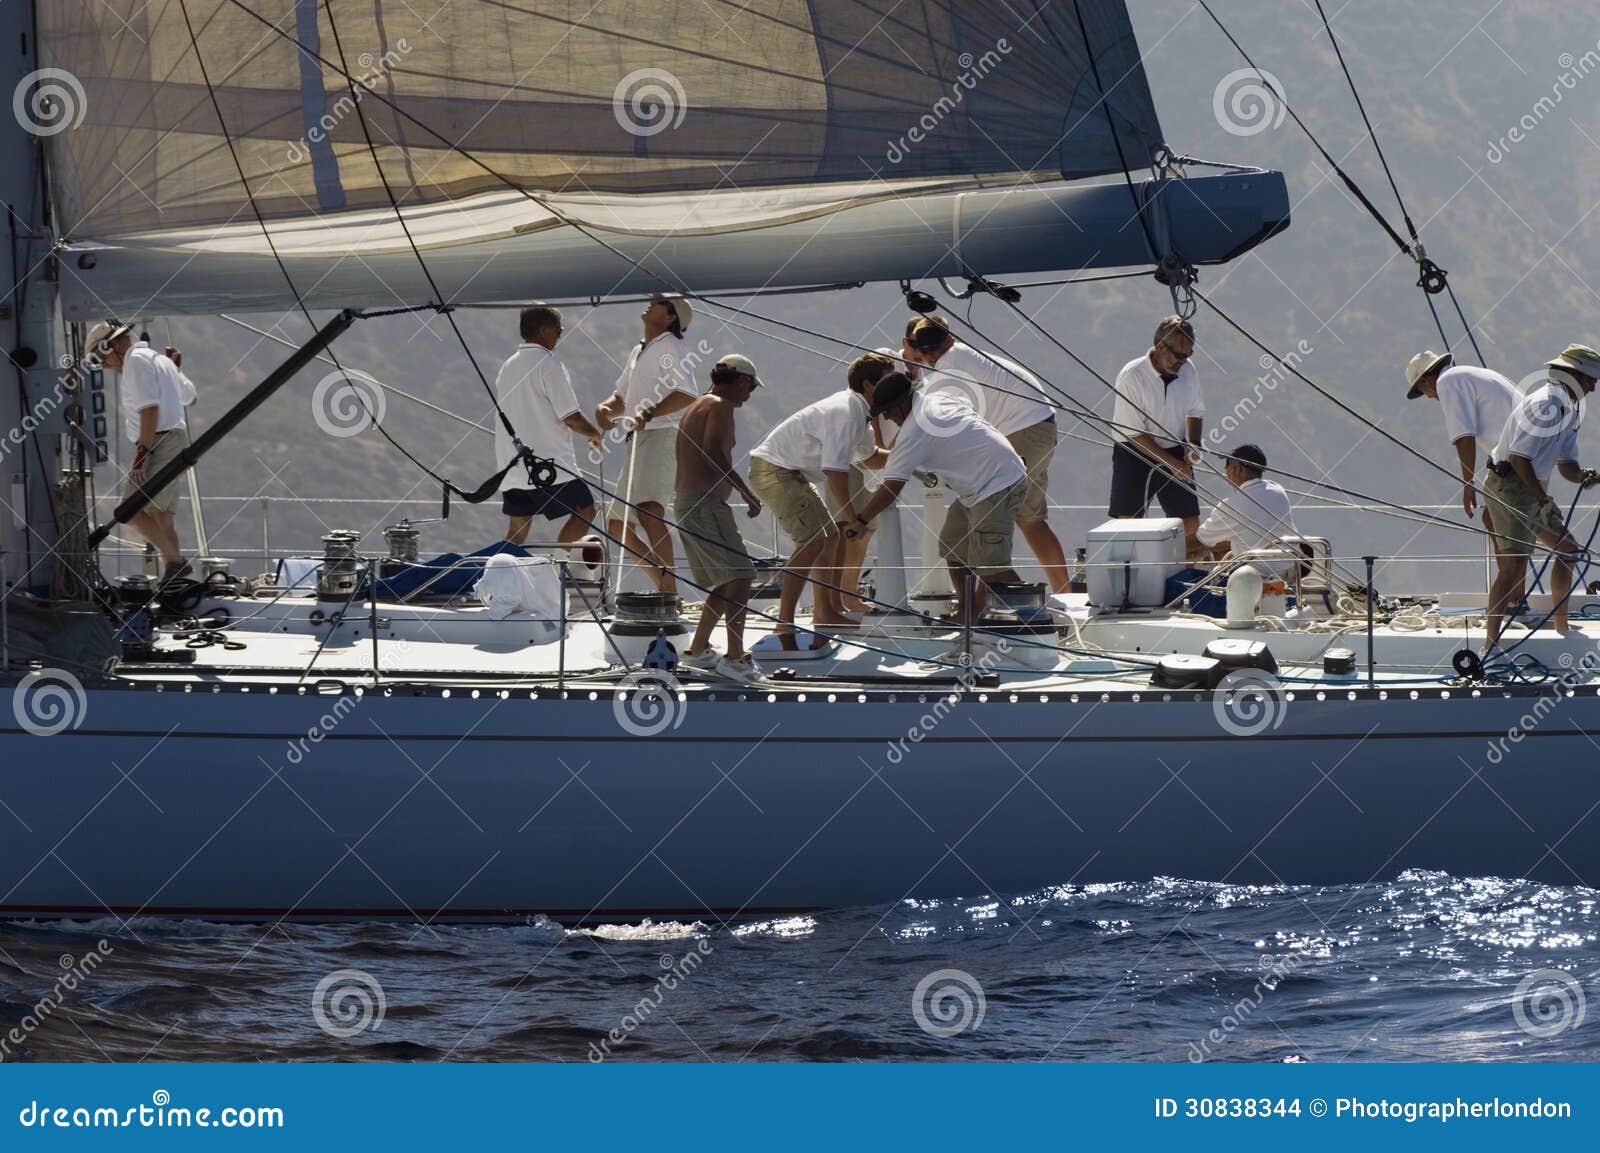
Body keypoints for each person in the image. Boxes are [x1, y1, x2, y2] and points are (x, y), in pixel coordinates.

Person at [903, 317, 1070, 593]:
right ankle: (1064, 594)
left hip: (1022, 430)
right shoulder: (960, 353)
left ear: (926, 350)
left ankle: (988, 609)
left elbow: (938, 419)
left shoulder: (947, 373)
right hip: (1039, 425)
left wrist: (912, 365)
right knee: (1029, 519)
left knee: (986, 516)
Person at [852, 372, 1027, 626]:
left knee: (993, 565)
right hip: (982, 484)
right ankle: (968, 615)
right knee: (953, 544)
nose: (887, 418)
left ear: (901, 406)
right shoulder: (936, 398)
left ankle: (1033, 624)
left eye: (887, 412)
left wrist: (861, 519)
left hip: (997, 485)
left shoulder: (915, 431)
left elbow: (891, 487)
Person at [748, 353, 892, 640]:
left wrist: (909, 453)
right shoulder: (848, 411)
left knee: (832, 537)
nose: (896, 388)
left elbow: (871, 458)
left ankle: (829, 609)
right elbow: (835, 471)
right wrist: (853, 518)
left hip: (788, 472)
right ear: (868, 385)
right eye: (889, 382)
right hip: (775, 471)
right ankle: (787, 621)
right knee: (814, 542)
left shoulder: (859, 411)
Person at [1482, 344, 1600, 649]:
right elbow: (1519, 458)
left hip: (1532, 488)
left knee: (1568, 549)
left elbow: (1567, 465)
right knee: (1513, 567)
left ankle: (1561, 625)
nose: (1594, 386)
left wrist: (1584, 476)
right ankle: (1490, 644)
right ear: (1574, 377)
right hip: (1510, 486)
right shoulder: (1545, 405)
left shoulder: (1568, 411)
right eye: (1590, 379)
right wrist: (1542, 499)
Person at [595, 293, 696, 595]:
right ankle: (666, 589)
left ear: (670, 317)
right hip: (639, 438)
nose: (651, 303)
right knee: (617, 526)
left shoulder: (671, 347)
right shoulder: (640, 349)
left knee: (649, 511)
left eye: (658, 302)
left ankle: (668, 593)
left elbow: (687, 393)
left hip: (663, 434)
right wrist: (605, 408)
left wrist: (649, 413)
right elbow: (621, 397)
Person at [674, 354, 765, 683]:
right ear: (741, 380)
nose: (750, 394)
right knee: (741, 576)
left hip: (688, 504)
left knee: (730, 580)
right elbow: (712, 450)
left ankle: (698, 652)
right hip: (704, 504)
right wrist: (745, 492)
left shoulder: (696, 405)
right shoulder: (720, 406)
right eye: (750, 387)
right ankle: (735, 659)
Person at [90, 319, 193, 583]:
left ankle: (177, 563)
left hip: (158, 443)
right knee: (161, 517)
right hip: (172, 440)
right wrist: (175, 372)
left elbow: (149, 409)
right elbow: (190, 397)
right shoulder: (158, 359)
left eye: (99, 357)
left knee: (129, 511)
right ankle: (174, 578)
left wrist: (142, 455)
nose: (102, 365)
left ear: (111, 346)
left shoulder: (135, 360)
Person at [493, 305, 602, 545]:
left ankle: (495, 575)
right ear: (543, 331)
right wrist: (594, 432)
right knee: (586, 510)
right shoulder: (549, 364)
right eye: (559, 329)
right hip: (549, 467)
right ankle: (559, 563)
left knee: (517, 532)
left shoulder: (508, 366)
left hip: (512, 468)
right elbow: (571, 417)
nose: (561, 334)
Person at [1109, 316, 1205, 556]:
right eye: (1179, 355)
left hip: (1174, 447)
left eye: (1188, 355)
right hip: (1134, 451)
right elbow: (1132, 434)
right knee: (1129, 522)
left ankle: (1186, 576)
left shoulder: (1188, 370)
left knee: (1189, 522)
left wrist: (1193, 444)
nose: (1184, 361)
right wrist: (1172, 464)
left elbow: (1195, 411)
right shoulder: (1132, 376)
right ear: (1161, 347)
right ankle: (1129, 576)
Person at [1404, 350, 1520, 518]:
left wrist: (1468, 484)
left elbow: (1464, 438)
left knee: (1520, 523)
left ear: (1426, 380)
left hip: (1517, 457)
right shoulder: (1466, 375)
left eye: (1422, 391)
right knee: (1492, 518)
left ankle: (1564, 544)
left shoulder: (1446, 382)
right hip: (1527, 449)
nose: (1428, 397)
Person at [1195, 444, 1298, 575]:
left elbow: (1201, 539)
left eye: (1227, 464)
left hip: (1256, 578)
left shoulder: (1232, 506)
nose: (1225, 469)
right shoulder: (1278, 490)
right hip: (1288, 569)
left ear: (1236, 469)